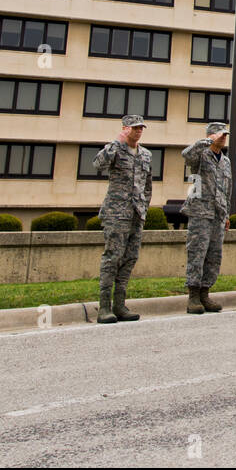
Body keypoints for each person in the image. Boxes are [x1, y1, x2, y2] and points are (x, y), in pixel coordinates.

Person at [91, 115, 152, 324]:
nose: (138, 131)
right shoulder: (115, 149)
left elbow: (147, 185)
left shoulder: (145, 155)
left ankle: (120, 304)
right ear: (125, 129)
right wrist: (116, 141)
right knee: (112, 257)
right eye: (134, 128)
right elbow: (98, 164)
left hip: (137, 213)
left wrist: (145, 206)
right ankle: (104, 306)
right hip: (116, 214)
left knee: (130, 258)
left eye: (140, 128)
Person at [181, 122, 231, 315]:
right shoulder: (200, 155)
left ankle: (205, 293)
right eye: (220, 134)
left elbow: (227, 189)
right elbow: (186, 155)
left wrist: (226, 214)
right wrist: (205, 142)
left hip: (218, 214)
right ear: (211, 135)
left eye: (225, 135)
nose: (224, 137)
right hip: (200, 211)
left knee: (214, 255)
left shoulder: (225, 161)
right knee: (197, 253)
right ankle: (193, 295)